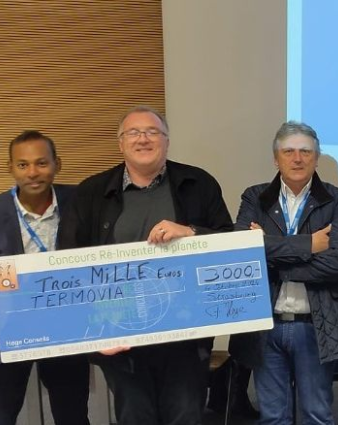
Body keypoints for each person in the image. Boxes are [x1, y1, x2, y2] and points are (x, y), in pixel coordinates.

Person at [72, 106, 234, 424]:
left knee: (185, 415)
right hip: (120, 336)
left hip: (185, 335)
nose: (143, 139)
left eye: (152, 132)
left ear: (167, 141)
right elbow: (71, 262)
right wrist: (94, 332)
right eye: (133, 132)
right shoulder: (91, 192)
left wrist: (191, 232)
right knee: (135, 417)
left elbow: (228, 243)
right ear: (120, 143)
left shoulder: (199, 183)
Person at [230, 121, 338, 424]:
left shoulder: (337, 200)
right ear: (276, 159)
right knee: (273, 417)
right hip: (265, 325)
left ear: (316, 158)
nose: (297, 158)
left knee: (317, 415)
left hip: (316, 326)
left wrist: (270, 250)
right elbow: (242, 250)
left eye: (306, 151)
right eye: (288, 151)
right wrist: (310, 245)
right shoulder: (255, 197)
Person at [0, 130, 89, 424]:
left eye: (41, 163)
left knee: (72, 415)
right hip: (7, 332)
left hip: (66, 329)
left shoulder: (82, 202)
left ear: (57, 164)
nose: (32, 173)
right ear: (10, 168)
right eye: (22, 165)